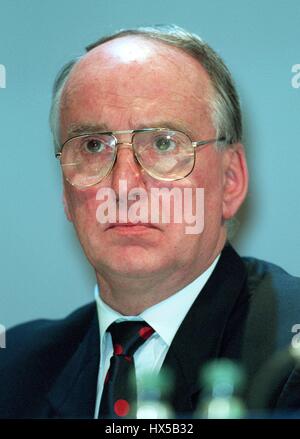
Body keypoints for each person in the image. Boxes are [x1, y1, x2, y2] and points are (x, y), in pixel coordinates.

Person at [0, 24, 299, 419]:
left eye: (162, 143)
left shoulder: (288, 358)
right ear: (66, 194)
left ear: (230, 180)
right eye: (93, 146)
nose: (123, 186)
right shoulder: (14, 371)